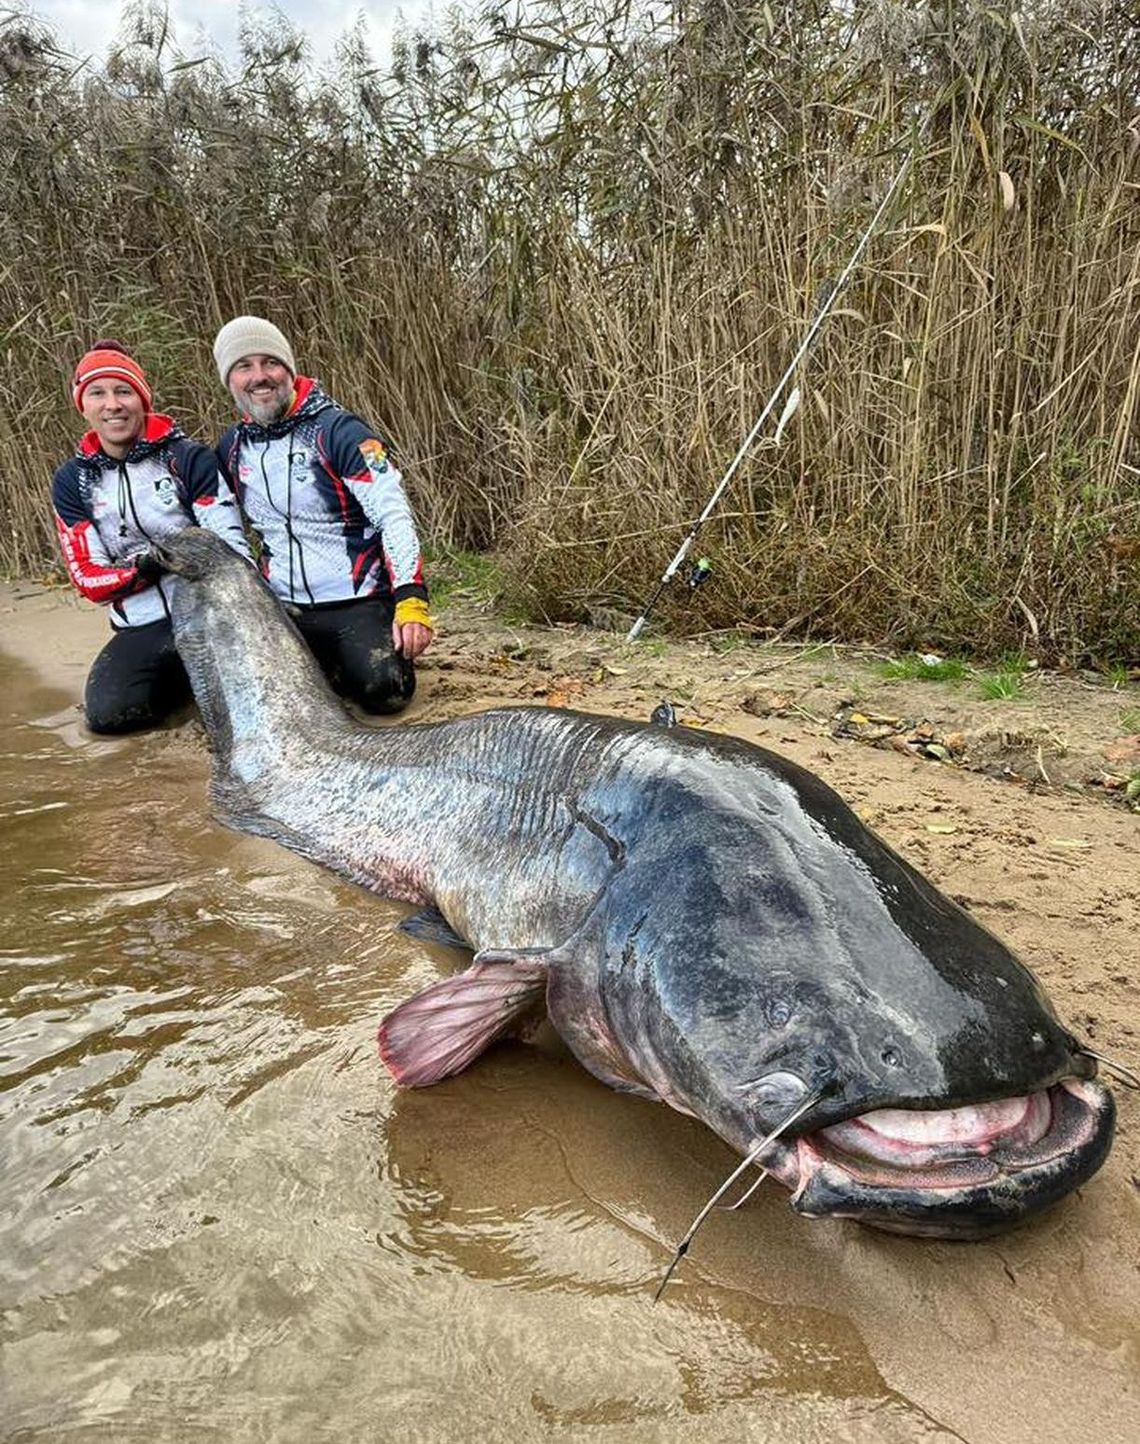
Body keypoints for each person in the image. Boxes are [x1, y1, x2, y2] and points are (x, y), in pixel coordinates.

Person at [212, 316, 432, 715]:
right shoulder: (230, 447)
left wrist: (410, 598)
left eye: (270, 363)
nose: (260, 377)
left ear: (289, 369)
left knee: (387, 693)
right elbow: (219, 530)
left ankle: (347, 660)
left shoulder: (340, 431)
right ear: (229, 380)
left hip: (357, 599)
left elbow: (393, 515)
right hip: (282, 605)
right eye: (244, 366)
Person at [52, 340, 252, 734]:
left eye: (124, 391)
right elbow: (88, 578)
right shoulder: (72, 481)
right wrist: (147, 568)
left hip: (211, 615)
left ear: (142, 399)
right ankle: (180, 689)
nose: (113, 405)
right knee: (109, 717)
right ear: (83, 406)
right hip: (141, 625)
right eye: (97, 393)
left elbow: (232, 554)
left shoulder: (188, 458)